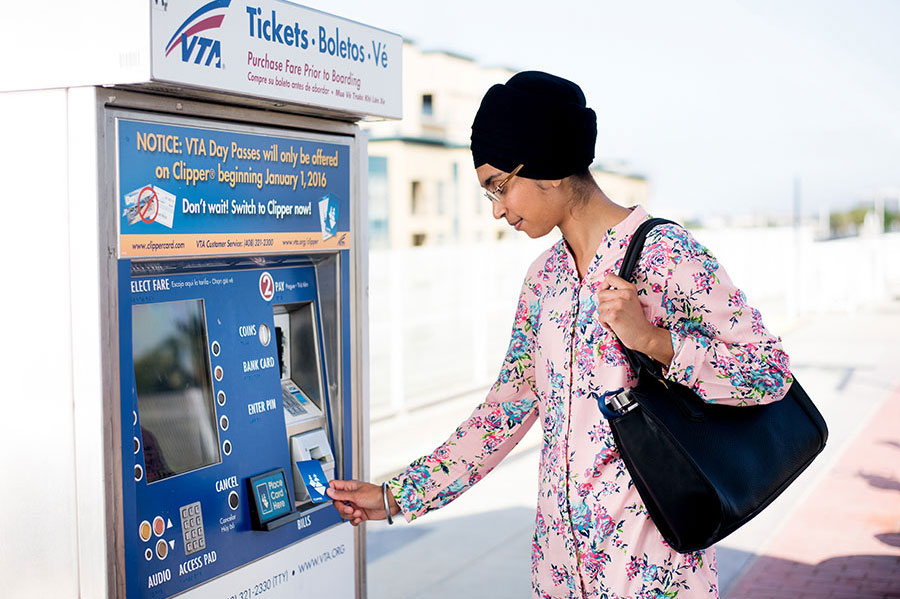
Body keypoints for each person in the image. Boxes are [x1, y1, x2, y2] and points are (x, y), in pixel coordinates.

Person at [327, 71, 792, 599]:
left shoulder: (667, 256)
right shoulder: (542, 280)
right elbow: (503, 412)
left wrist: (654, 342)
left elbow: (769, 372)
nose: (498, 208)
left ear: (544, 163)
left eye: (499, 186)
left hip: (652, 574)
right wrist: (395, 497)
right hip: (557, 573)